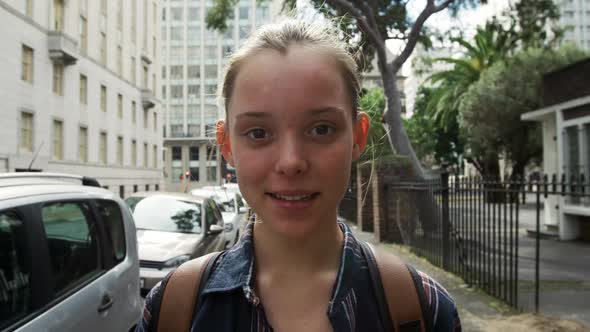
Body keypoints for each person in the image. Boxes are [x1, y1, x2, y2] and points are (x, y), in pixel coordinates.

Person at [136, 18, 460, 332]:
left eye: (321, 129)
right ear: (227, 145)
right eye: (259, 132)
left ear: (358, 138)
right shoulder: (173, 308)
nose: (291, 162)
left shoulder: (421, 309)